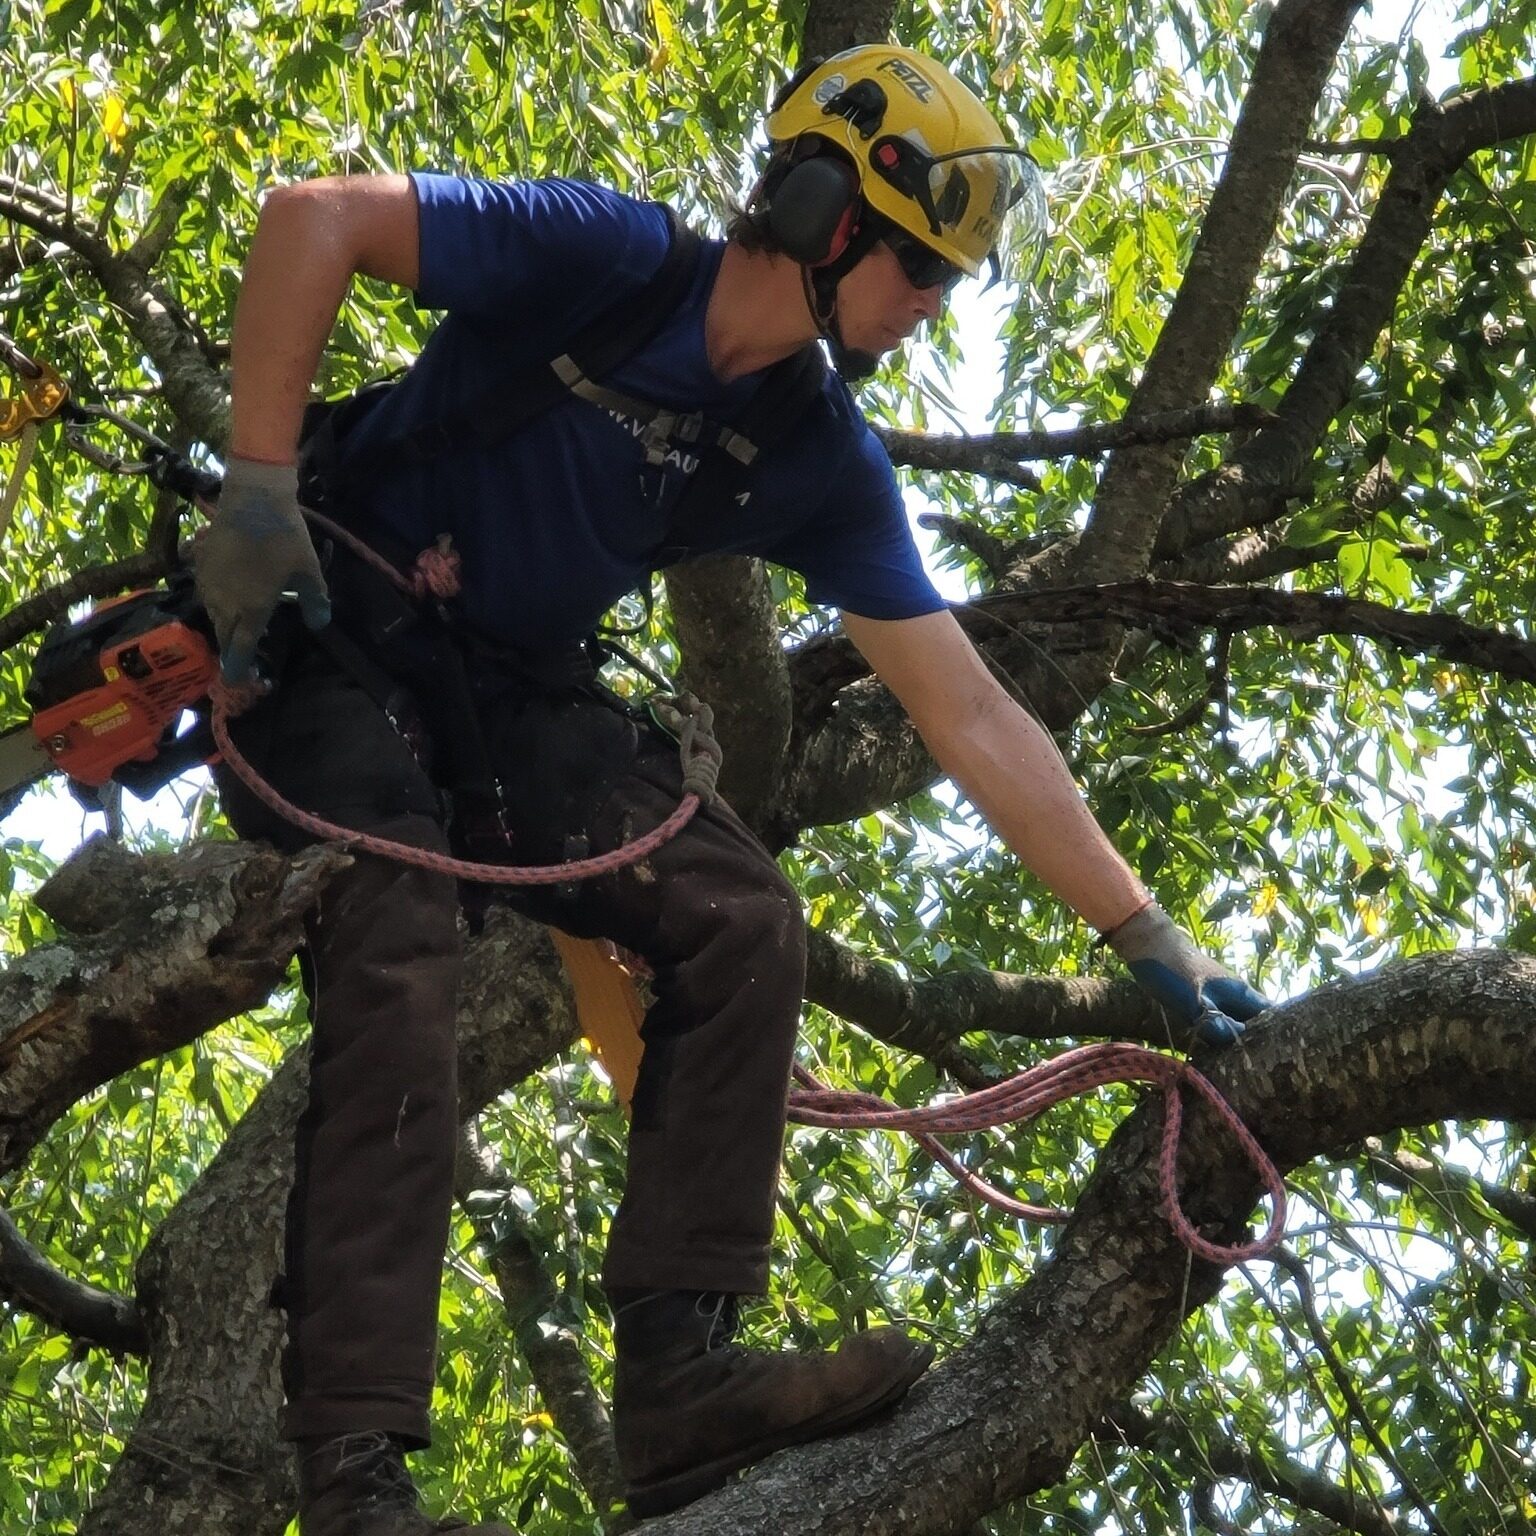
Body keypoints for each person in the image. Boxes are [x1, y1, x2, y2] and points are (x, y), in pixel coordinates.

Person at [193, 44, 1269, 1536]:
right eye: (922, 264)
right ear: (828, 213)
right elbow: (313, 217)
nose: (935, 300)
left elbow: (967, 709)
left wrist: (1147, 935)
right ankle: (356, 1477)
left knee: (741, 915)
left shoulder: (808, 449)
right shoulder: (605, 256)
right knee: (398, 929)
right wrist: (258, 489)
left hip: (508, 698)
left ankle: (681, 1382)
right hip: (325, 638)